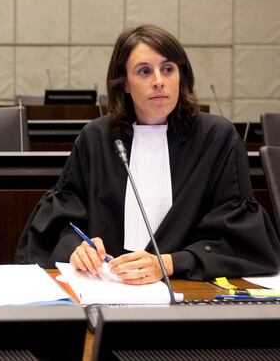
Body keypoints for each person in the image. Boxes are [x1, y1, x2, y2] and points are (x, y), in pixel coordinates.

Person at [15, 24, 280, 283]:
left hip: (190, 288)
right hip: (108, 287)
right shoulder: (97, 138)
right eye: (144, 71)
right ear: (125, 84)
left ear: (181, 77)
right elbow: (59, 223)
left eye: (168, 69)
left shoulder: (217, 139)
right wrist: (78, 248)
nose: (158, 82)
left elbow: (241, 240)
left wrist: (169, 263)